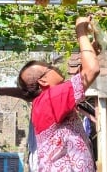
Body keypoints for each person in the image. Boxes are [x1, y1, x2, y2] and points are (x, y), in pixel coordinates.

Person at [18, 16, 100, 171]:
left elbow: (81, 77)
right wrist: (80, 30)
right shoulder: (50, 98)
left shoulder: (47, 102)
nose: (56, 68)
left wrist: (91, 52)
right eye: (50, 67)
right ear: (43, 81)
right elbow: (92, 70)